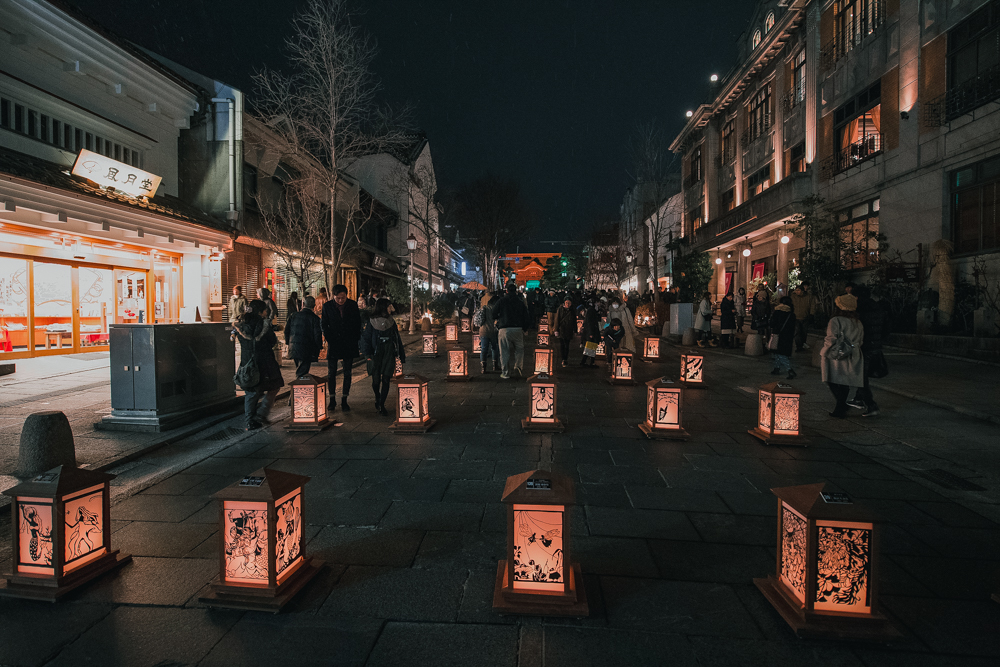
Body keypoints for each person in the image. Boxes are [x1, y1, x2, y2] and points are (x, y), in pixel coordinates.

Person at [234, 300, 285, 430]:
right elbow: (273, 341)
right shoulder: (265, 325)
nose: (266, 312)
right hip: (266, 363)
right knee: (274, 387)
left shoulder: (241, 326)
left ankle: (250, 421)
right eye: (265, 310)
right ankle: (261, 414)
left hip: (247, 364)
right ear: (260, 311)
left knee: (251, 392)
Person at [820, 293, 865, 418]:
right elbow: (861, 340)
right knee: (845, 382)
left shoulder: (836, 320)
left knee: (831, 379)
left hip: (837, 354)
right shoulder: (857, 322)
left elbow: (831, 338)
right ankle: (841, 407)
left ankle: (840, 407)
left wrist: (825, 351)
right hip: (853, 353)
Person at [360, 298, 405, 416]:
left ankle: (382, 404)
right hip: (375, 353)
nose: (391, 308)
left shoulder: (391, 321)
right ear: (384, 307)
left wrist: (401, 354)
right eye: (389, 306)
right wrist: (367, 354)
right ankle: (377, 396)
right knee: (375, 381)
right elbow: (366, 339)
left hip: (388, 352)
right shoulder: (371, 322)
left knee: (386, 379)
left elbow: (397, 338)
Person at [321, 284, 362, 411]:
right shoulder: (327, 306)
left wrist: (355, 338)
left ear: (346, 295)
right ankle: (332, 399)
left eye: (343, 298)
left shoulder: (352, 305)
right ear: (333, 296)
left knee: (347, 372)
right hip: (334, 342)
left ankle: (345, 399)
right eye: (338, 298)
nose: (340, 300)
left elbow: (357, 323)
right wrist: (329, 338)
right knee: (331, 372)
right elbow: (324, 324)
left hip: (349, 342)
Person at [850, 284, 886, 416]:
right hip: (876, 345)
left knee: (860, 377)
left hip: (864, 347)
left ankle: (871, 404)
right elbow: (886, 328)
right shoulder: (878, 308)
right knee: (862, 375)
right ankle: (858, 398)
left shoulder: (859, 309)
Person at [493, 283, 529, 379]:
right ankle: (518, 366)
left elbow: (493, 313)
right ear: (516, 291)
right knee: (519, 349)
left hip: (504, 328)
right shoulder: (520, 301)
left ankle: (505, 372)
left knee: (504, 351)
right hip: (517, 328)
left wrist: (499, 318)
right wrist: (525, 328)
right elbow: (526, 315)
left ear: (507, 291)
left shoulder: (501, 301)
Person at [284, 295, 323, 378]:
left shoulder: (293, 316)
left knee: (299, 368)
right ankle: (299, 388)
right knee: (302, 372)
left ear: (303, 304)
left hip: (294, 346)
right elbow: (317, 335)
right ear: (314, 306)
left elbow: (286, 331)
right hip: (307, 348)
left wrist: (289, 343)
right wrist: (318, 347)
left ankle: (299, 387)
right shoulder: (315, 318)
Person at [768, 296, 797, 379]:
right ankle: (776, 368)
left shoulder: (777, 312)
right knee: (778, 352)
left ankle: (790, 370)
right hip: (788, 336)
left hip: (778, 335)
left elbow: (772, 324)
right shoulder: (791, 314)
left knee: (780, 353)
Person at [478, 292, 501, 373]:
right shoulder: (495, 310)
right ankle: (495, 365)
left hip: (483, 331)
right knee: (494, 348)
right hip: (493, 331)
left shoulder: (484, 308)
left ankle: (483, 368)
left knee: (484, 349)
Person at [790, 284, 817, 351]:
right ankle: (798, 346)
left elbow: (812, 305)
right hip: (796, 317)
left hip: (805, 317)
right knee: (797, 332)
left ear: (802, 291)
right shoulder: (793, 297)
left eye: (798, 290)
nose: (797, 291)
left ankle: (802, 343)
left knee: (804, 332)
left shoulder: (808, 297)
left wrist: (811, 314)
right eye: (796, 290)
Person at [553, 296, 576, 367]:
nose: (568, 304)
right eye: (566, 302)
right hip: (562, 329)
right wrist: (556, 329)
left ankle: (565, 358)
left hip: (569, 329)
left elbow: (574, 321)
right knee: (562, 345)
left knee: (567, 345)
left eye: (569, 303)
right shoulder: (560, 309)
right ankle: (563, 359)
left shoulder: (572, 310)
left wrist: (575, 330)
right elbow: (557, 319)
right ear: (564, 302)